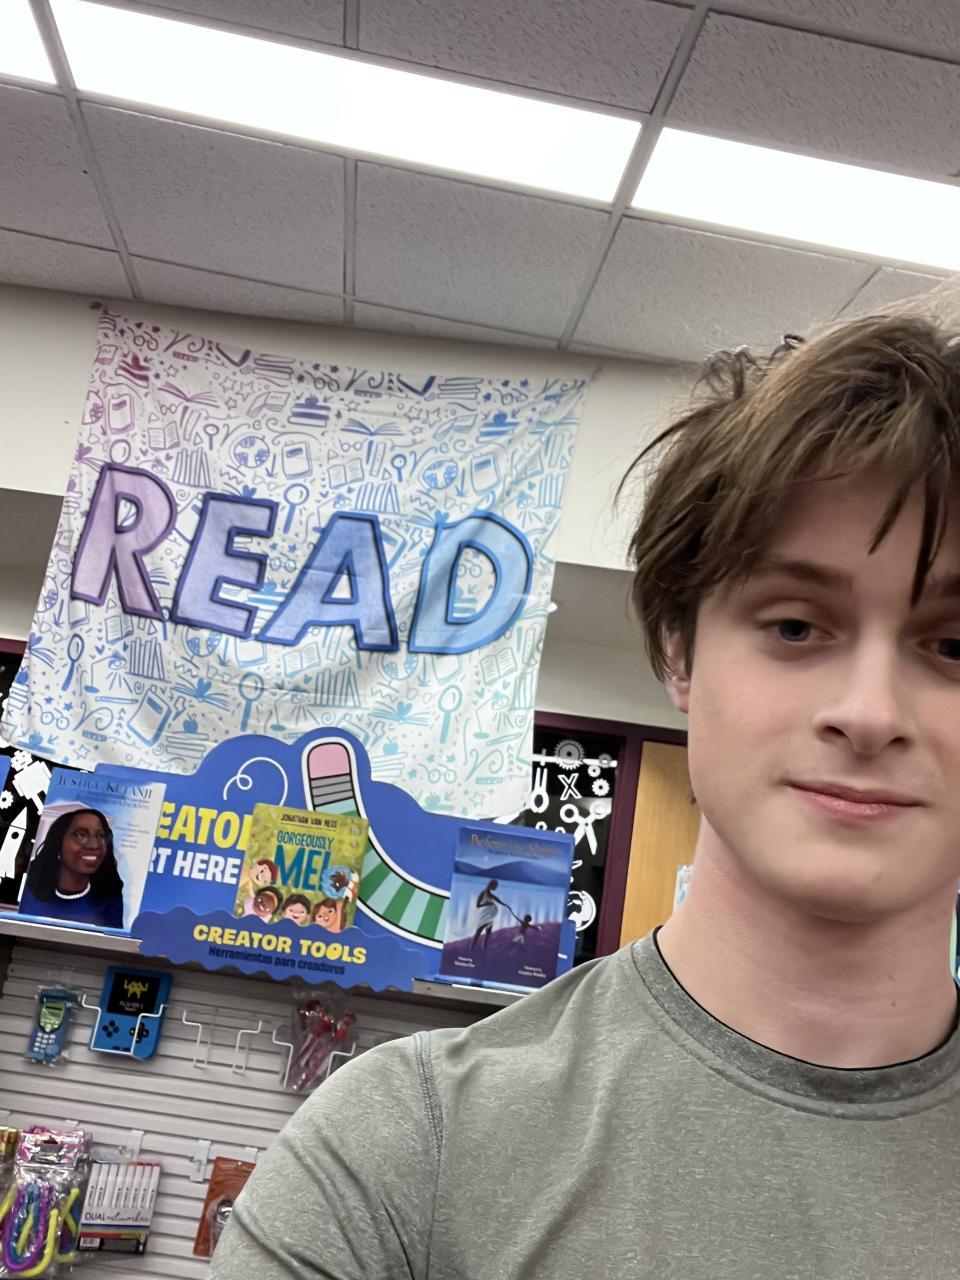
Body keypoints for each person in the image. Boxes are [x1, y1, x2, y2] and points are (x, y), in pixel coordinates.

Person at [212, 312, 960, 1278]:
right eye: (794, 626)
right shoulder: (404, 1153)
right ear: (680, 653)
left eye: (954, 644)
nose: (868, 713)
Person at [19, 807, 124, 929]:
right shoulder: (29, 889)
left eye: (101, 836)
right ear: (58, 844)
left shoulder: (109, 900)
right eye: (80, 835)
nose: (94, 845)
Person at [470, 878, 507, 950]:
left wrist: (506, 905)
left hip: (489, 917)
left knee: (488, 932)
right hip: (484, 916)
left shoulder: (490, 894)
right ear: (491, 885)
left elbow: (497, 900)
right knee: (479, 931)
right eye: (495, 886)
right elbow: (477, 905)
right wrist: (488, 904)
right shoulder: (483, 893)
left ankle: (484, 947)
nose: (496, 888)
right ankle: (472, 947)